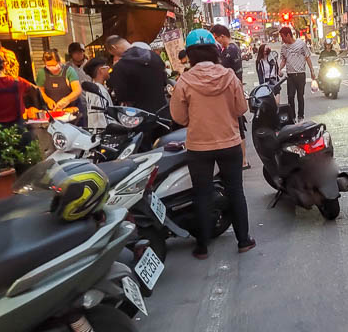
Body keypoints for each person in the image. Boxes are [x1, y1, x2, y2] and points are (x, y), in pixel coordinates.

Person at [169, 38, 255, 259]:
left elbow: (178, 117)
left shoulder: (185, 81)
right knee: (235, 190)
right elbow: (241, 108)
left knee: (202, 194)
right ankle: (243, 241)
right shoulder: (229, 77)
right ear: (215, 52)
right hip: (229, 142)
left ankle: (202, 247)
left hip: (198, 146)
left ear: (191, 55)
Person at [212, 23, 249, 169]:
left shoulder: (230, 50)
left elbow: (220, 69)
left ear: (222, 36)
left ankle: (243, 160)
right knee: (237, 127)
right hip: (234, 90)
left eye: (216, 38)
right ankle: (243, 160)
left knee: (237, 128)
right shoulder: (232, 48)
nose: (216, 41)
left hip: (232, 92)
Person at [105, 35, 168, 114]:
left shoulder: (120, 66)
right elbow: (164, 81)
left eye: (113, 54)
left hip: (140, 116)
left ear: (114, 47)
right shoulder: (154, 56)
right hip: (163, 112)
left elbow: (121, 96)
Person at [278, 26, 316, 122]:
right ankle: (292, 117)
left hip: (300, 74)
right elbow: (283, 60)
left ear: (288, 35)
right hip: (290, 75)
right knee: (290, 96)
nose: (282, 39)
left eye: (283, 36)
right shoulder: (284, 47)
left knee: (300, 96)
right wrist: (279, 69)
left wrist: (312, 71)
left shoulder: (301, 44)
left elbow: (307, 57)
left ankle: (300, 116)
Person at [82, 57, 113, 131]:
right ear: (101, 70)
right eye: (106, 66)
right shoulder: (99, 91)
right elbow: (103, 116)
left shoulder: (92, 89)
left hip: (95, 132)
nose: (109, 69)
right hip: (103, 133)